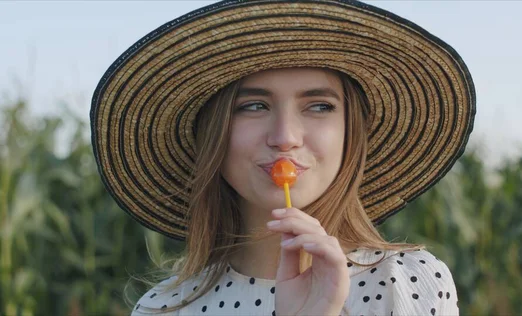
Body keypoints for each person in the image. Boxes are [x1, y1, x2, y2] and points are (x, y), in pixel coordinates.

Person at [90, 1, 475, 315]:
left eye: (320, 106)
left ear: (351, 132)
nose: (285, 138)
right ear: (213, 134)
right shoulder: (163, 310)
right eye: (253, 106)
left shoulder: (406, 282)